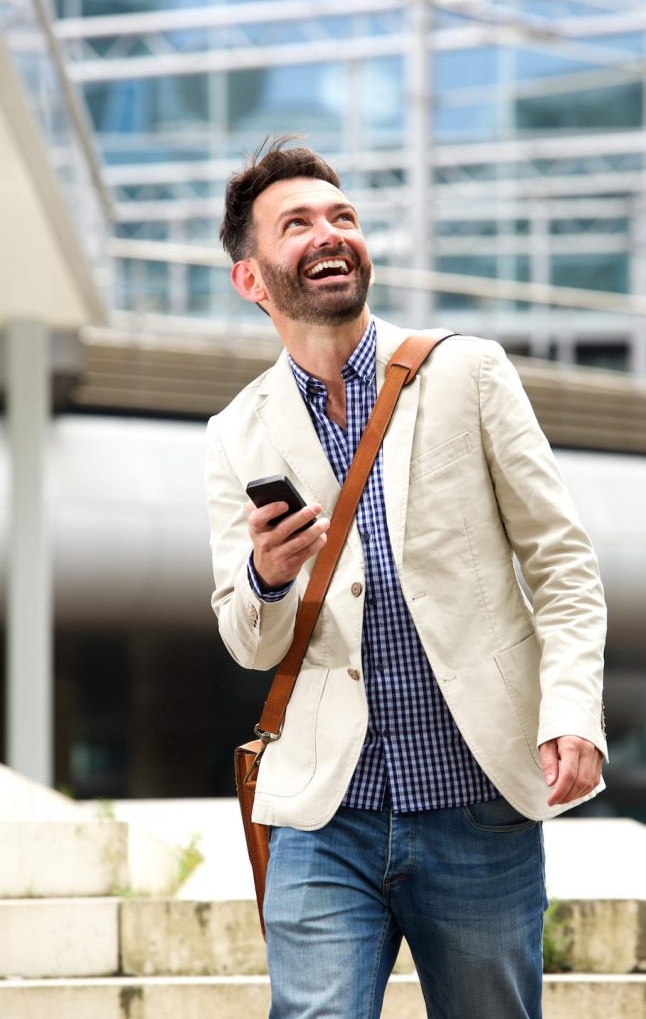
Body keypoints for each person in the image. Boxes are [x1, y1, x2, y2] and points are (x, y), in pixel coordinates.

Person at [205, 138, 607, 1019]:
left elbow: (561, 560)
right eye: (297, 223)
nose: (329, 234)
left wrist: (571, 709)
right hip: (323, 807)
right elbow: (245, 639)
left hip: (476, 797)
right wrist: (266, 578)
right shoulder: (237, 432)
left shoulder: (467, 370)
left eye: (341, 217)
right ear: (251, 279)